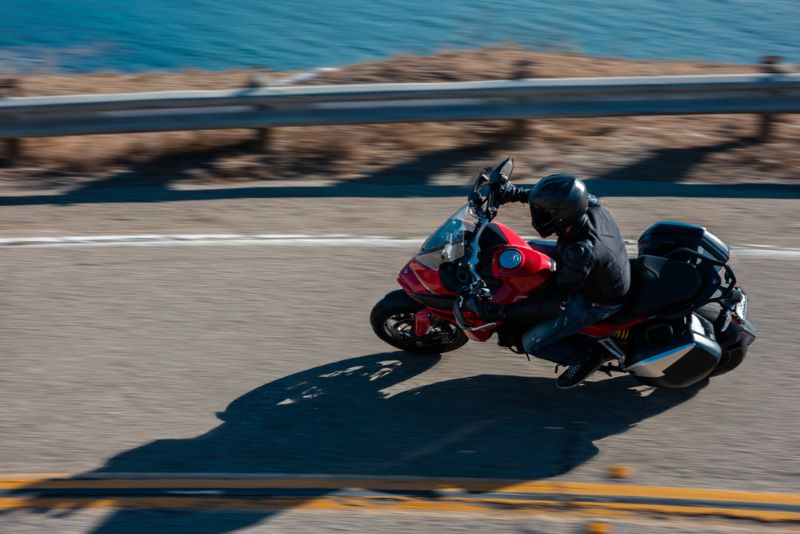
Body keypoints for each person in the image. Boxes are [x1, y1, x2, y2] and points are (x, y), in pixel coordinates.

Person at [479, 174, 631, 389]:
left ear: (560, 217)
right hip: (602, 269)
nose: (537, 214)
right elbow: (556, 199)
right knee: (526, 248)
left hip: (598, 301)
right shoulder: (588, 204)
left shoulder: (580, 250)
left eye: (543, 213)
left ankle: (587, 358)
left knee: (531, 342)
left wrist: (499, 312)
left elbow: (555, 303)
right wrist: (514, 194)